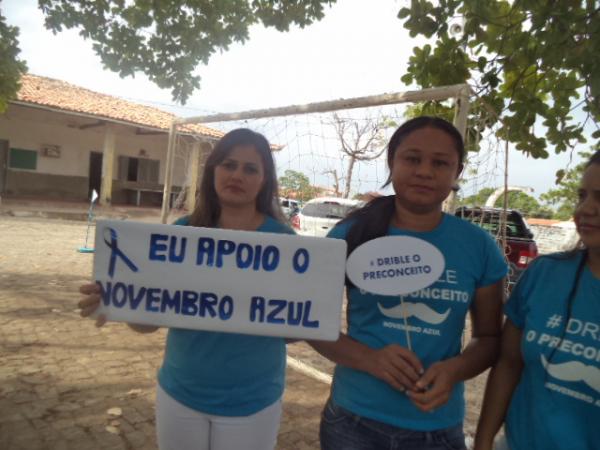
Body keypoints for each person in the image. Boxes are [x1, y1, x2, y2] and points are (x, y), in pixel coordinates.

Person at [78, 128, 294, 450]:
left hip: (253, 400)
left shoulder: (285, 243)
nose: (237, 175)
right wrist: (118, 300)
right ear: (213, 170)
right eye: (229, 164)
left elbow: (292, 331)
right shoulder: (180, 234)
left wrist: (312, 311)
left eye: (250, 168)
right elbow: (146, 324)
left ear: (264, 179)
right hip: (181, 393)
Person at [310, 116, 508, 450]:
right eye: (412, 159)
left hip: (437, 430)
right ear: (392, 162)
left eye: (440, 162)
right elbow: (313, 324)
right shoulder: (350, 234)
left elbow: (489, 339)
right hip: (352, 422)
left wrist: (453, 370)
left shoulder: (479, 246)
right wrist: (369, 359)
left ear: (457, 172)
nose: (425, 171)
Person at [474, 150, 600, 450]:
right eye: (582, 195)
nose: (586, 209)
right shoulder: (545, 273)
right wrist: (482, 442)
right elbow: (508, 363)